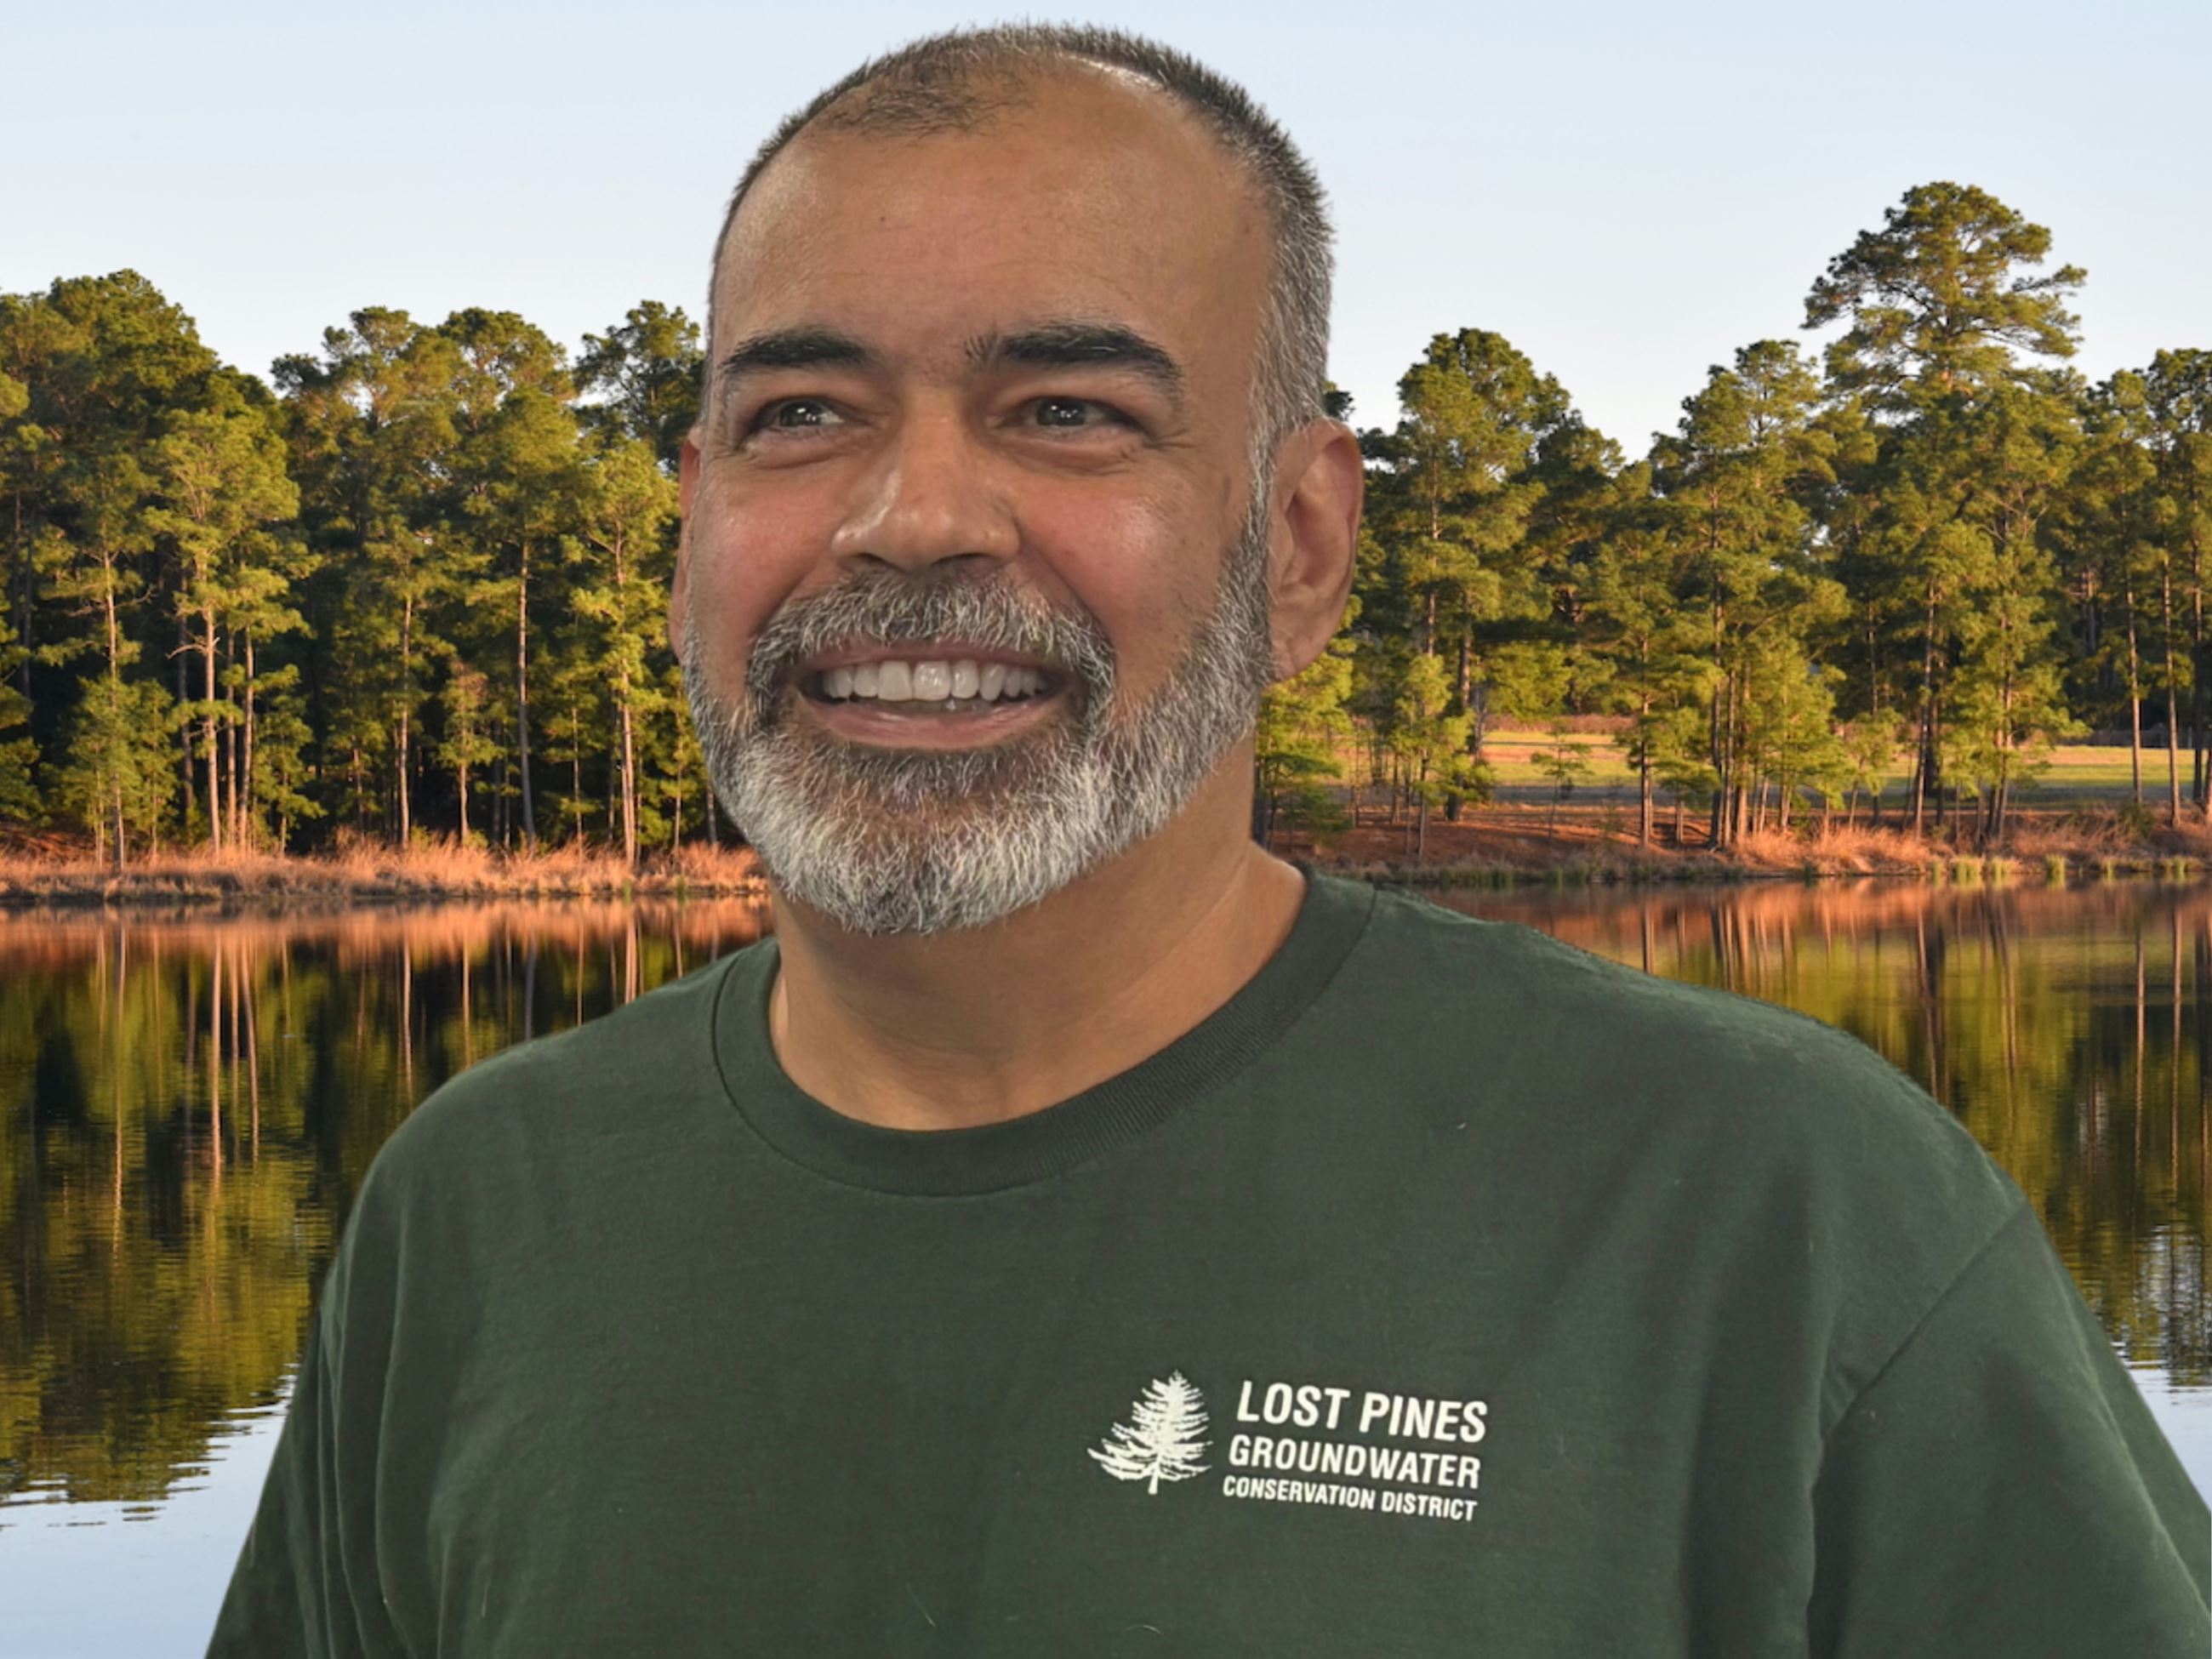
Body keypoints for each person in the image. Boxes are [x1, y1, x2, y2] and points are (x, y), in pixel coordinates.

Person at [209, 25, 2209, 1656]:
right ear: (691, 518)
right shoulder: (479, 1209)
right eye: (801, 411)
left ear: (1303, 541)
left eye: (1068, 412)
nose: (911, 518)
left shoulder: (1775, 1210)